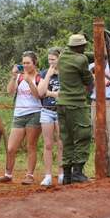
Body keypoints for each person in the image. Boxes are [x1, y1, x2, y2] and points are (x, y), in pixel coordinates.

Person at [0, 51, 43, 184]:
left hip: (34, 113)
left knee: (31, 145)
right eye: (24, 63)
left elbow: (39, 95)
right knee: (11, 147)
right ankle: (8, 175)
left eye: (28, 63)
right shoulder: (19, 77)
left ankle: (30, 175)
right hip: (19, 114)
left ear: (34, 63)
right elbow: (10, 91)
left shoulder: (39, 77)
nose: (25, 65)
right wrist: (13, 76)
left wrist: (30, 82)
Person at [57, 34, 94, 184]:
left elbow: (85, 55)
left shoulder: (63, 56)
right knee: (83, 135)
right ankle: (78, 172)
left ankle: (67, 175)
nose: (85, 48)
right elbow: (88, 79)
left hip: (61, 104)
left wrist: (96, 55)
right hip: (76, 103)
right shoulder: (81, 60)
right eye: (83, 46)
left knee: (67, 139)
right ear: (79, 47)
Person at [37, 48, 64, 186]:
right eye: (49, 60)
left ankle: (61, 174)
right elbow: (41, 92)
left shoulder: (65, 73)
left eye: (53, 59)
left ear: (60, 58)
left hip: (61, 111)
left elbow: (64, 94)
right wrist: (48, 73)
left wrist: (50, 93)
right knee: (48, 145)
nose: (51, 62)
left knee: (61, 144)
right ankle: (47, 175)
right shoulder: (44, 73)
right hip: (46, 111)